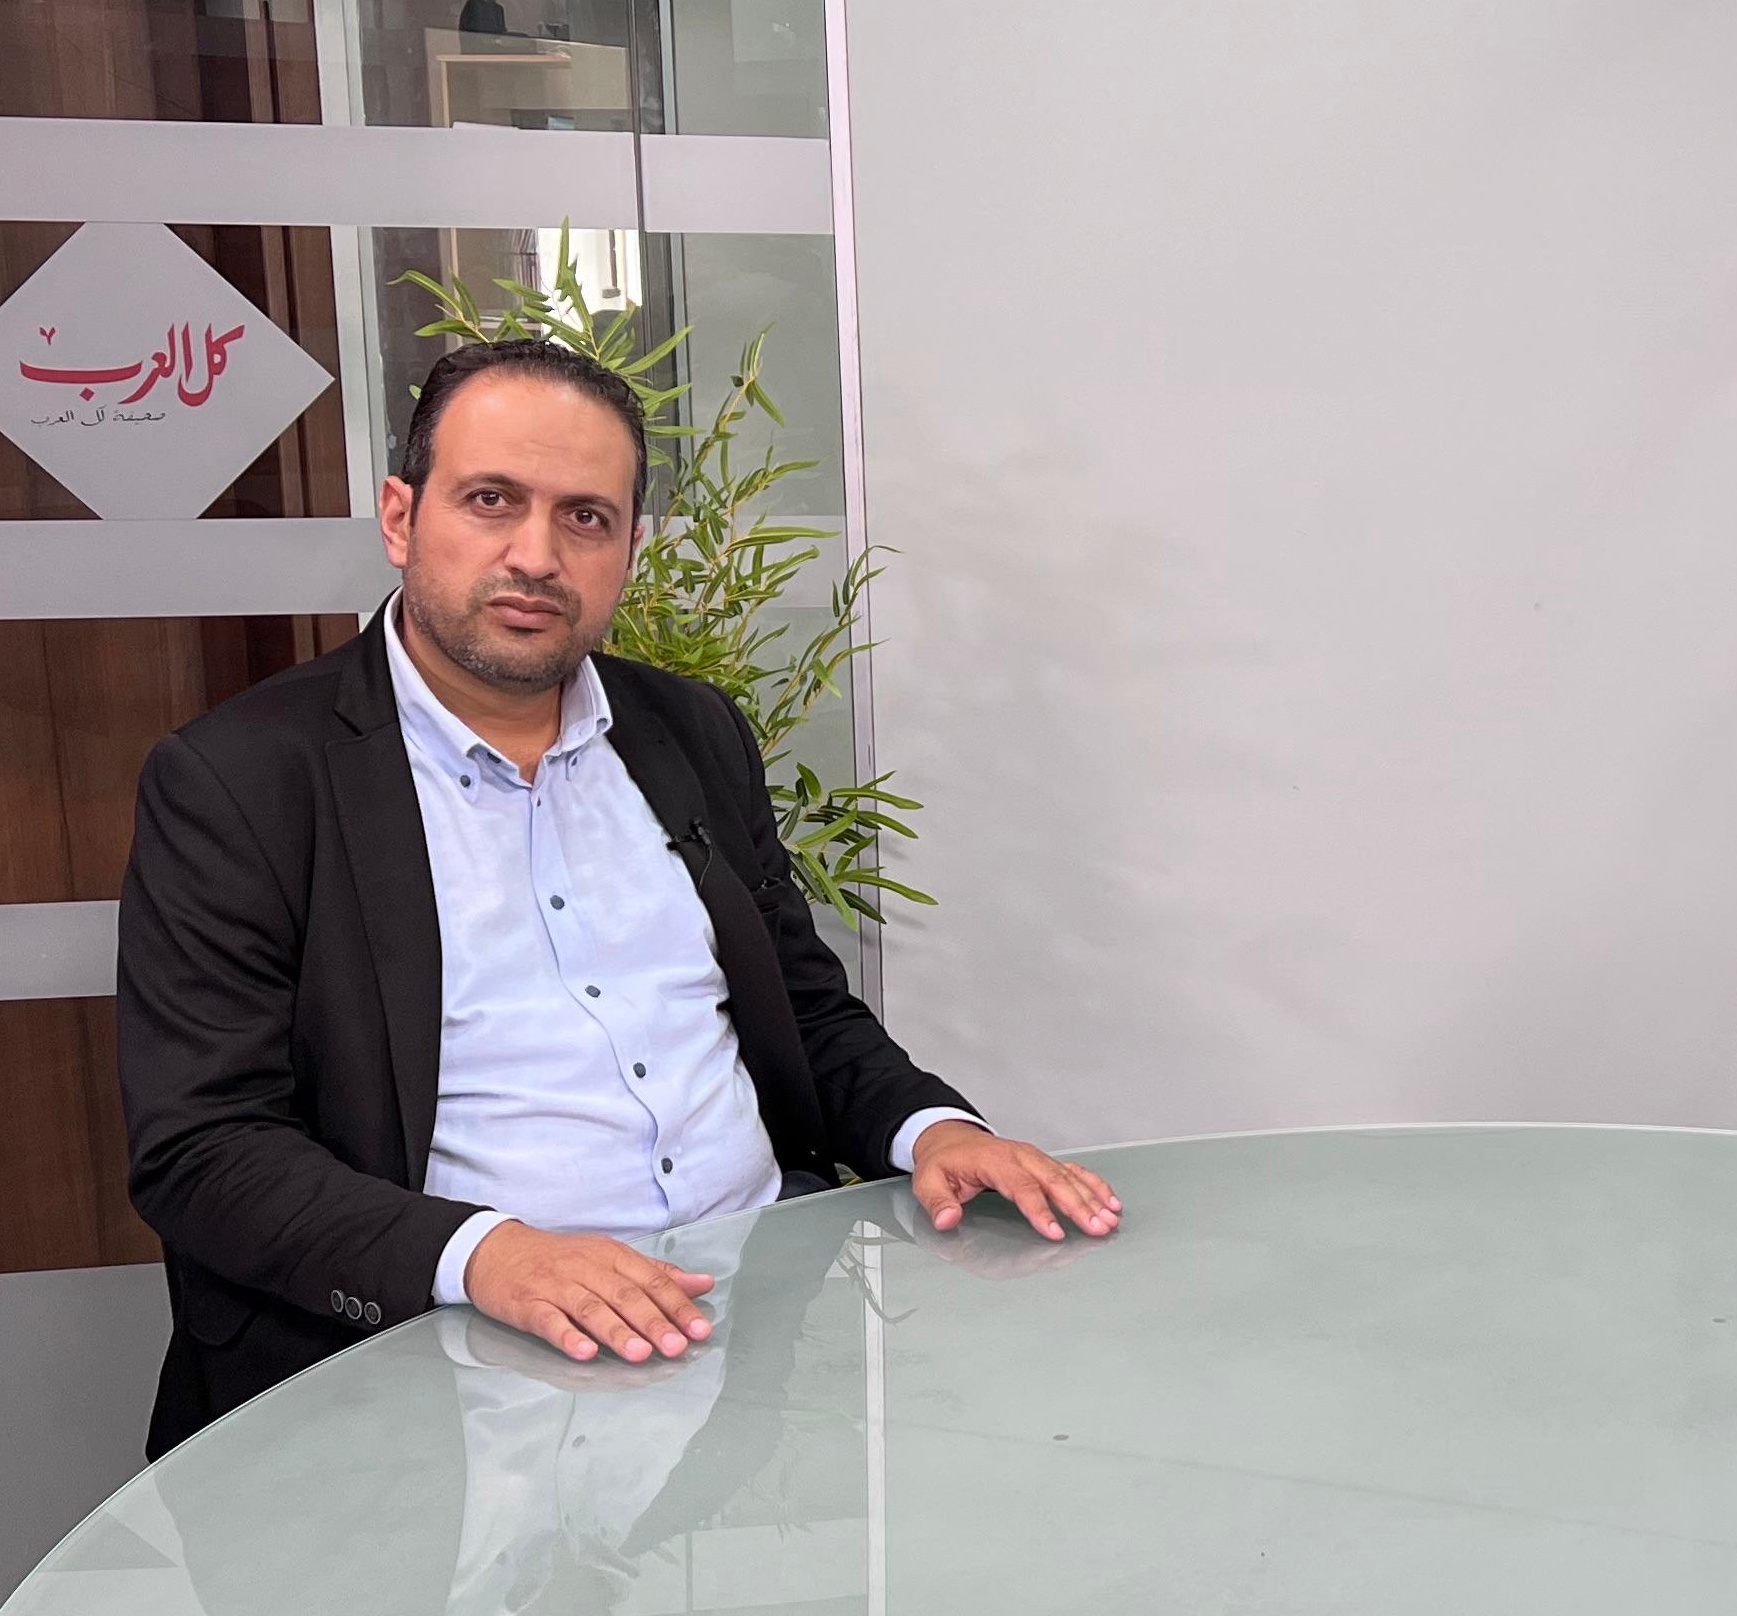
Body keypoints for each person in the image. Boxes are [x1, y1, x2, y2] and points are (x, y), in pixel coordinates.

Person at [115, 337, 1122, 1457]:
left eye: (586, 518)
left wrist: (930, 1129)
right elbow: (205, 1146)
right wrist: (487, 1253)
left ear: (631, 550)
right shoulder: (244, 779)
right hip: (431, 1374)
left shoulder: (690, 731)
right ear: (401, 519)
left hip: (748, 1333)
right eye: (491, 500)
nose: (536, 555)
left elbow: (802, 1014)